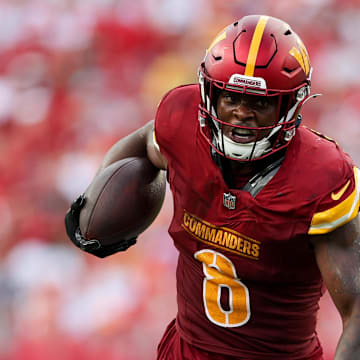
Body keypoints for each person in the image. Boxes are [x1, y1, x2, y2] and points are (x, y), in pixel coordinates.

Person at [65, 15, 360, 360]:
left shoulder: (320, 178)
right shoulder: (182, 121)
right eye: (230, 97)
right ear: (209, 93)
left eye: (260, 103)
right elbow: (147, 142)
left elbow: (357, 309)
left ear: (289, 106)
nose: (241, 113)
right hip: (185, 351)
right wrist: (95, 205)